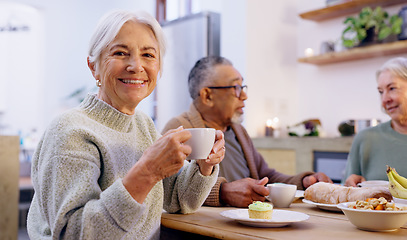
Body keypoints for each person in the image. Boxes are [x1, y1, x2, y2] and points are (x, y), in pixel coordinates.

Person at [26, 10, 225, 239]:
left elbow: (177, 201)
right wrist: (147, 172)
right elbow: (73, 233)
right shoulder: (70, 131)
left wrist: (203, 166)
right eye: (121, 53)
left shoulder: (143, 124)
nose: (136, 66)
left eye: (148, 55)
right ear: (94, 67)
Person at [161, 56, 332, 208]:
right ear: (207, 96)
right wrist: (223, 191)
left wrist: (303, 182)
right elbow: (170, 190)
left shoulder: (238, 131)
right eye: (236, 87)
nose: (244, 95)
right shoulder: (179, 128)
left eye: (243, 87)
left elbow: (266, 176)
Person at [344, 57, 407, 187]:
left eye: (392, 88)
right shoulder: (365, 139)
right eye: (380, 92)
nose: (384, 99)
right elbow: (346, 194)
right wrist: (350, 184)